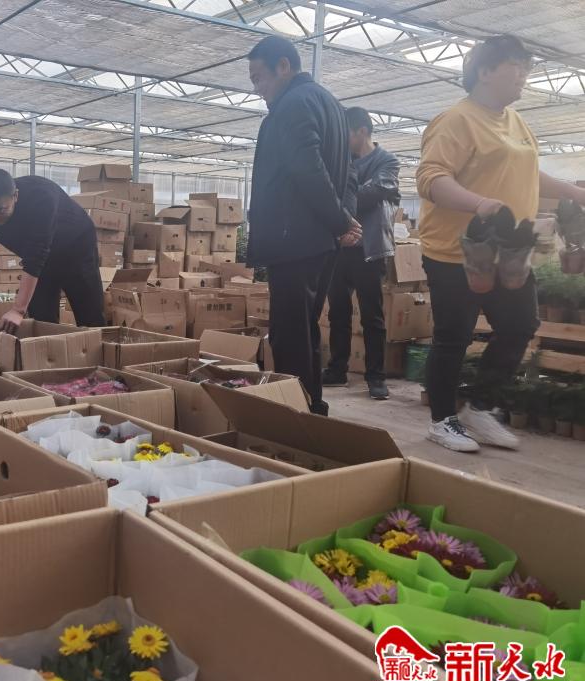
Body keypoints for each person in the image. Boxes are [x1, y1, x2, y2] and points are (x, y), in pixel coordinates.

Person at [416, 34, 585, 453]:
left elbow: (529, 174)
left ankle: (479, 408)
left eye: (527, 68)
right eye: (517, 66)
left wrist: (574, 191)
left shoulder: (516, 122)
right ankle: (442, 421)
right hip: (459, 251)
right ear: (485, 71)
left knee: (520, 325)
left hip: (510, 251)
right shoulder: (456, 120)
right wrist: (480, 204)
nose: (525, 75)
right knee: (454, 336)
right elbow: (431, 178)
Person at [246, 35, 361, 416]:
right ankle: (313, 407)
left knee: (289, 334)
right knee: (305, 327)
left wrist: (340, 220)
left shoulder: (293, 104)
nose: (258, 89)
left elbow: (307, 169)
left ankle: (295, 416)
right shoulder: (331, 105)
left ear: (283, 66)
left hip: (292, 238)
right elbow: (348, 174)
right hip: (319, 240)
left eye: (259, 78)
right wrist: (342, 221)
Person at [0, 168, 107, 333]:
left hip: (76, 247)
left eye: (0, 210)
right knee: (41, 318)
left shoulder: (41, 197)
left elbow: (36, 253)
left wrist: (18, 309)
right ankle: (47, 347)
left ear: (15, 196)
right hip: (40, 258)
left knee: (90, 315)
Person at [322, 107, 401, 401]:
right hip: (341, 247)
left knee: (372, 316)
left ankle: (376, 377)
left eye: (346, 134)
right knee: (338, 313)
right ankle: (337, 370)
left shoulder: (387, 162)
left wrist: (338, 204)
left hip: (369, 249)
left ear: (362, 132)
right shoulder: (342, 160)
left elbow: (373, 192)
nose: (342, 140)